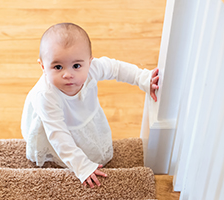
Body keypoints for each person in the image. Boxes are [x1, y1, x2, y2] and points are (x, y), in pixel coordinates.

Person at [21, 22, 159, 188]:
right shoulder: (46, 96)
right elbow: (58, 135)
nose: (68, 74)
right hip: (53, 123)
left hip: (84, 114)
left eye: (77, 66)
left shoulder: (94, 69)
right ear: (43, 67)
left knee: (88, 138)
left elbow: (116, 68)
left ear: (89, 62)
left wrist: (143, 79)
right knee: (60, 143)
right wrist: (82, 166)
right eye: (57, 67)